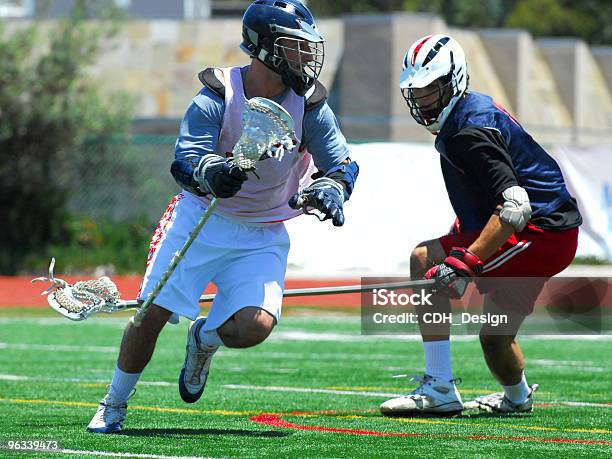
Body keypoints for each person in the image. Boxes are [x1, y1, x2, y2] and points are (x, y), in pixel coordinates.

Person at [87, 0, 359, 433]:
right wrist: (212, 172)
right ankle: (114, 402)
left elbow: (342, 165)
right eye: (296, 47)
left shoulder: (309, 104)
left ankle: (203, 339)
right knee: (150, 315)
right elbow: (185, 159)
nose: (307, 58)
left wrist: (332, 187)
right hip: (201, 220)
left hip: (264, 230)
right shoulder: (219, 94)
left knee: (255, 326)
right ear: (264, 47)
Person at [380, 34, 582, 416]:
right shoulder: (468, 111)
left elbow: (515, 205)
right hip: (544, 227)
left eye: (429, 89)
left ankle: (438, 386)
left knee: (424, 260)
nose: (421, 100)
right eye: (415, 91)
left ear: (453, 80)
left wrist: (465, 262)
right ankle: (518, 399)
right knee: (494, 337)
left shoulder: (468, 129)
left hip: (540, 231)